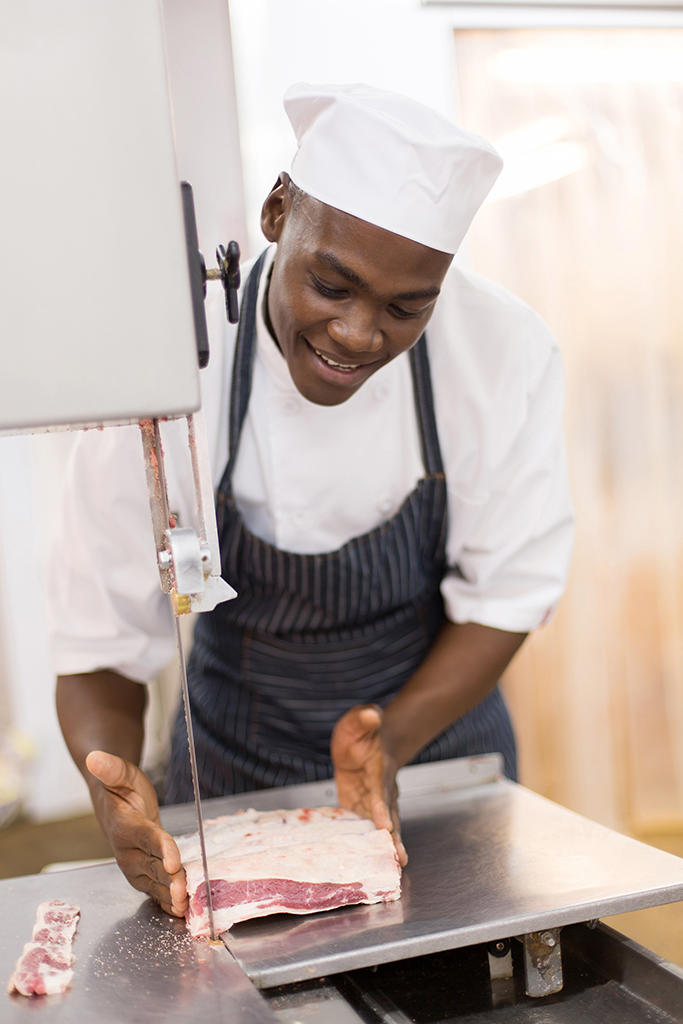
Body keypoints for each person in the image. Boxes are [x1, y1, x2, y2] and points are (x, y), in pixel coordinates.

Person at [50, 83, 573, 920]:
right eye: (332, 285)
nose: (360, 334)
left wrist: (388, 744)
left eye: (408, 307)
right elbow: (99, 647)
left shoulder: (499, 349)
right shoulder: (170, 362)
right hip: (227, 763)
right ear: (276, 211)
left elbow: (508, 595)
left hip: (428, 749)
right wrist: (116, 785)